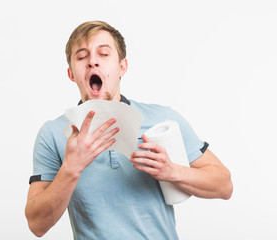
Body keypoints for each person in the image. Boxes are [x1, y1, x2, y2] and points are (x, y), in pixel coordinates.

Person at [25, 20, 233, 239]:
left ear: (122, 66)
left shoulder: (163, 119)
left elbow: (224, 185)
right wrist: (71, 168)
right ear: (71, 74)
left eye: (103, 54)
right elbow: (36, 224)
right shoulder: (53, 134)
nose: (93, 62)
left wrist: (174, 172)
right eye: (81, 56)